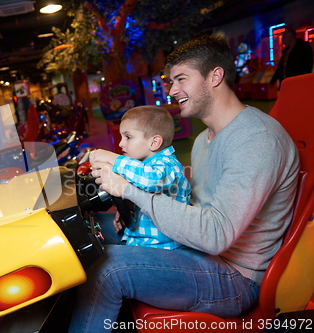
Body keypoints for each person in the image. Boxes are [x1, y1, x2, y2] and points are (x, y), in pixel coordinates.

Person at [68, 34, 299, 332]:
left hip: (235, 276)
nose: (172, 90)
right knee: (87, 236)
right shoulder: (205, 138)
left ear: (214, 76)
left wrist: (128, 189)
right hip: (198, 253)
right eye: (171, 81)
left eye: (181, 79)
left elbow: (216, 234)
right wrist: (129, 209)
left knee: (107, 268)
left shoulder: (255, 140)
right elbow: (188, 202)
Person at [89, 106, 191, 249]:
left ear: (154, 143)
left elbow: (152, 179)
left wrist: (113, 158)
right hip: (143, 240)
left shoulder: (167, 165)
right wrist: (126, 209)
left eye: (128, 137)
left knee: (104, 259)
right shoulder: (142, 166)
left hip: (164, 247)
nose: (121, 143)